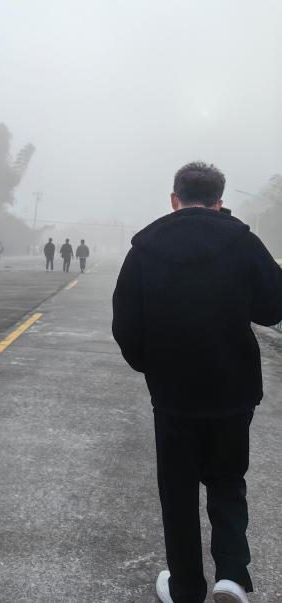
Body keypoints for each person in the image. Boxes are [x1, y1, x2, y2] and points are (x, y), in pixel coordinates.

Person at [112, 162, 282, 603]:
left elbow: (126, 325)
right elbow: (272, 307)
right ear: (219, 200)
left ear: (174, 199)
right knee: (228, 482)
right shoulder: (243, 242)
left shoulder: (145, 248)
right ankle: (232, 578)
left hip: (174, 396)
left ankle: (186, 588)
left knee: (178, 492)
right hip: (233, 392)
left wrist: (152, 367)